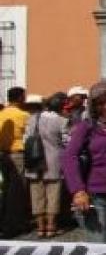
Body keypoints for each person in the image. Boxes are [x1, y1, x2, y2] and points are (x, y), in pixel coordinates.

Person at [61, 79, 106, 237]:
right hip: (96, 194)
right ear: (93, 107)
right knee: (98, 243)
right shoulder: (87, 127)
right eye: (100, 104)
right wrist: (78, 190)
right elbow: (69, 156)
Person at [23, 92, 67, 238]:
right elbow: (67, 142)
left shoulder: (32, 119)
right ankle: (51, 227)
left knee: (36, 194)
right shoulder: (61, 121)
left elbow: (26, 139)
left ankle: (40, 228)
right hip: (54, 162)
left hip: (34, 162)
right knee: (53, 195)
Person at [0, 86, 33, 236]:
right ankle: (13, 224)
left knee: (6, 190)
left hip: (3, 154)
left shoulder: (2, 113)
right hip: (17, 154)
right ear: (20, 98)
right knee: (17, 191)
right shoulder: (24, 115)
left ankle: (5, 221)